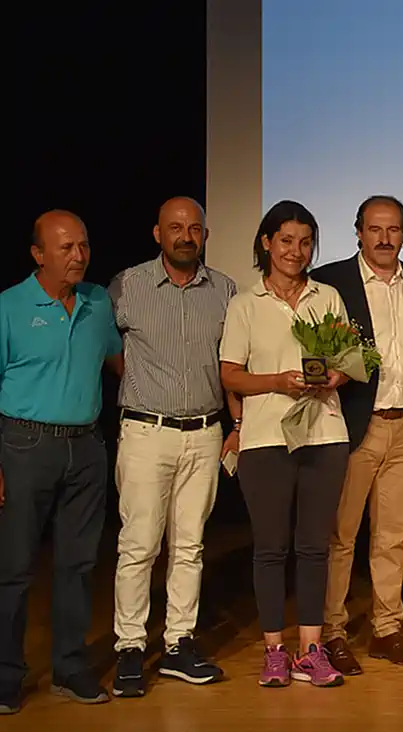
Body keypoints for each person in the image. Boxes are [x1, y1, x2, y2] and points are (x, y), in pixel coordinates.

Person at [109, 197, 238, 698]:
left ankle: (178, 643)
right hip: (147, 432)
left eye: (195, 228)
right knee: (139, 545)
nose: (186, 236)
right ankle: (130, 647)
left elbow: (231, 362)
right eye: (176, 227)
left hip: (205, 433)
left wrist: (235, 424)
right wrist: (141, 384)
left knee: (190, 546)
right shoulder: (128, 286)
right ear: (157, 234)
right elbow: (108, 349)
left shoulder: (224, 289)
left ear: (205, 234)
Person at [219, 200, 350, 689]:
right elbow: (230, 374)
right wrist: (277, 381)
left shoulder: (327, 297)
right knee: (271, 548)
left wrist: (336, 375)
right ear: (266, 243)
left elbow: (348, 360)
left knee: (314, 547)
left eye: (306, 242)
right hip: (265, 439)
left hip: (324, 434)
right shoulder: (245, 304)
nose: (297, 251)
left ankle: (311, 651)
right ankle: (275, 651)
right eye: (287, 240)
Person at [0, 211, 123, 713]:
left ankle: (70, 668)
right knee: (14, 566)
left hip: (86, 446)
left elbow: (119, 361)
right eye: (66, 247)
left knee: (79, 564)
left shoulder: (97, 302)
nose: (79, 255)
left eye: (84, 245)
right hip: (25, 446)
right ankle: (6, 675)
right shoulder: (9, 306)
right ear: (38, 254)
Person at [314, 196, 403, 675]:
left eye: (393, 229)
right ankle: (332, 633)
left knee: (393, 535)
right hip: (354, 422)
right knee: (340, 536)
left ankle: (387, 629)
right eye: (374, 229)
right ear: (358, 232)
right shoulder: (332, 282)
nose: (384, 239)